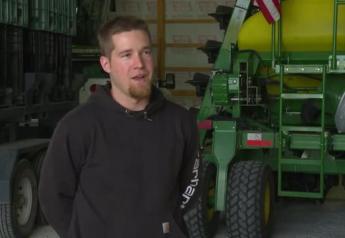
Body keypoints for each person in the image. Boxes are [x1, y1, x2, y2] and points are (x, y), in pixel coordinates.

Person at [39, 16, 201, 238]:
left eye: (145, 52)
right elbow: (53, 195)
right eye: (126, 55)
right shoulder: (77, 126)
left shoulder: (181, 122)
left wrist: (162, 221)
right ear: (106, 64)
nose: (139, 64)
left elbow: (190, 187)